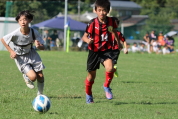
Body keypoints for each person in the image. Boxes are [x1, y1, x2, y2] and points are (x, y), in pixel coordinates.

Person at [82, 0, 120, 103]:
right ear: (95, 11)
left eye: (104, 10)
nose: (101, 13)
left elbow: (114, 32)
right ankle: (89, 95)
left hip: (106, 50)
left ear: (108, 11)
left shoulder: (112, 21)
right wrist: (88, 40)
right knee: (91, 77)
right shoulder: (92, 23)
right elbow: (84, 37)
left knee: (110, 67)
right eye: (99, 10)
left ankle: (106, 86)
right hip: (93, 51)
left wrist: (119, 42)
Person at [1, 10, 45, 96]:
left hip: (32, 53)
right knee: (33, 77)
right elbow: (3, 39)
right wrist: (11, 51)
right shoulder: (15, 33)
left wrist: (39, 46)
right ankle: (26, 76)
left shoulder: (34, 32)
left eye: (25, 19)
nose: (23, 22)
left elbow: (43, 47)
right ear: (18, 21)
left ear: (29, 20)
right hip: (20, 57)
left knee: (40, 75)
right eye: (20, 20)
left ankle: (40, 95)